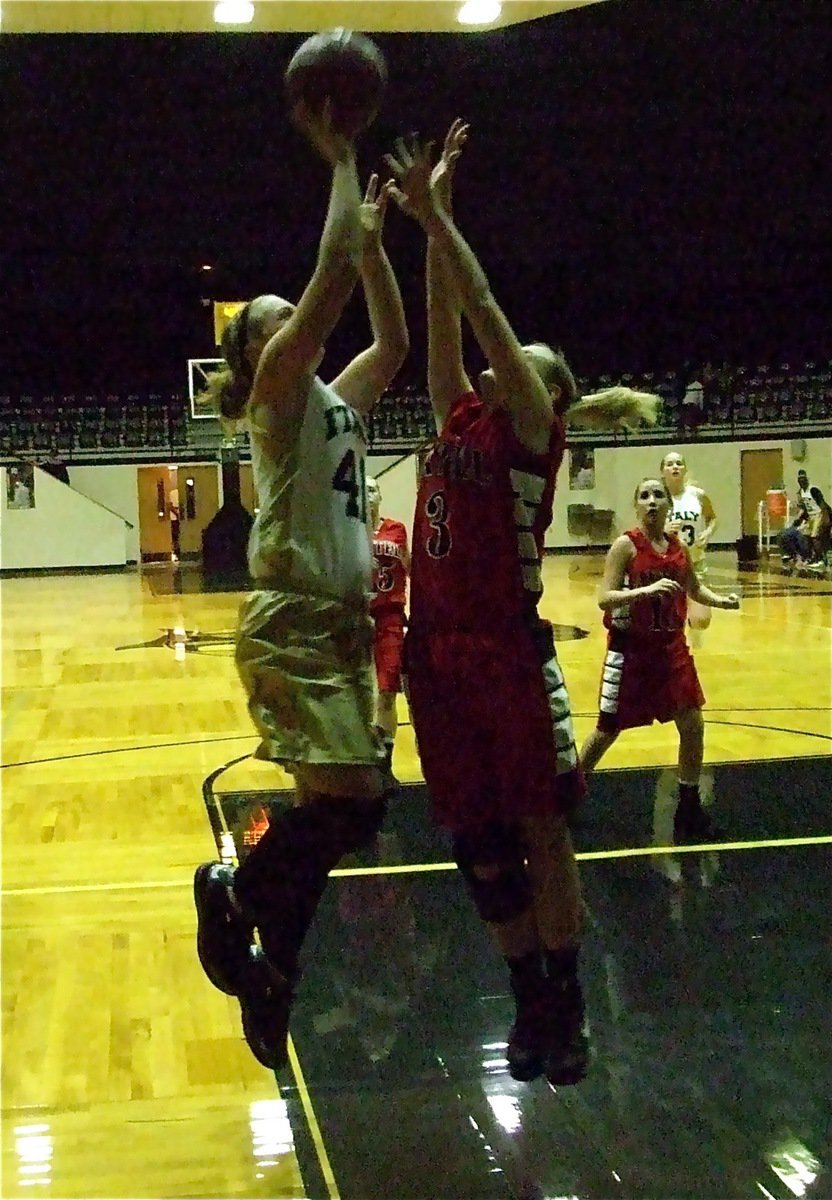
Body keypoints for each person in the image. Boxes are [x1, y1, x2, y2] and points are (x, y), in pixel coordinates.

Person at [385, 122, 661, 1086]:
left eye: (522, 361)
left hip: (506, 652)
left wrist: (440, 215)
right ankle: (528, 995)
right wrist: (430, 228)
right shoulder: (458, 412)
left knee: (543, 828)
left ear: (544, 389)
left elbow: (486, 305)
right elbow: (445, 332)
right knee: (473, 837)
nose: (504, 365)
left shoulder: (533, 436)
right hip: (435, 658)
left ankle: (569, 994)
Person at [191, 103, 409, 1071]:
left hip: (341, 628)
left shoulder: (332, 402)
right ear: (253, 353)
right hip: (290, 623)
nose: (290, 315)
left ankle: (272, 964)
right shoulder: (280, 386)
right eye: (272, 318)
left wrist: (374, 248)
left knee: (339, 817)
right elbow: (324, 291)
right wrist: (343, 163)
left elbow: (393, 342)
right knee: (353, 806)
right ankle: (230, 893)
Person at [579, 476, 740, 844]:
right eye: (644, 495)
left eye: (658, 496)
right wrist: (644, 590)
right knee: (607, 729)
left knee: (693, 723)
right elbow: (604, 598)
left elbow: (693, 588)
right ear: (636, 505)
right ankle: (567, 795)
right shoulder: (626, 547)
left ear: (668, 504)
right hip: (631, 651)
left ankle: (688, 806)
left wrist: (721, 602)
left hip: (671, 649)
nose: (652, 501)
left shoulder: (678, 548)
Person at [366, 475, 410, 772]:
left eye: (373, 489)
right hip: (356, 614)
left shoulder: (397, 529)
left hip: (389, 616)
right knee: (353, 692)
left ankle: (385, 763)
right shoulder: (349, 530)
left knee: (386, 691)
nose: (368, 494)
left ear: (380, 495)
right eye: (363, 489)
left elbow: (408, 565)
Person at [660, 451, 717, 647]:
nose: (674, 467)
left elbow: (712, 518)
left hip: (695, 562)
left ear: (684, 469)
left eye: (678, 463)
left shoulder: (697, 495)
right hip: (666, 564)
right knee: (668, 620)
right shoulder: (657, 497)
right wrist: (663, 530)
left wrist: (708, 533)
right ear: (662, 471)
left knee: (702, 621)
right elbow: (642, 528)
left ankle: (692, 633)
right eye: (669, 464)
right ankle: (680, 650)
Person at [780, 469, 820, 568]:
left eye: (803, 479)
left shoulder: (813, 490)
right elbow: (802, 508)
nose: (801, 482)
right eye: (799, 480)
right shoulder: (800, 492)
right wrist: (796, 520)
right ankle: (791, 555)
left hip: (817, 516)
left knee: (812, 536)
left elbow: (822, 506)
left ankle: (816, 558)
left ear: (807, 479)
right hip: (808, 518)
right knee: (785, 534)